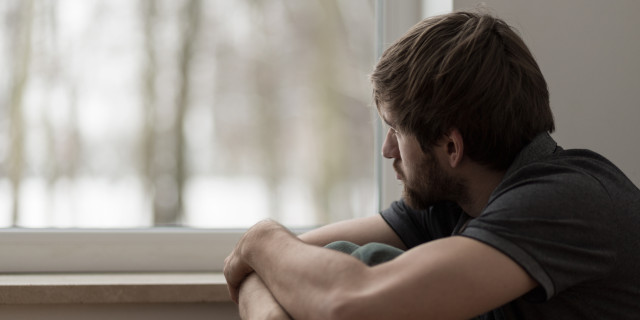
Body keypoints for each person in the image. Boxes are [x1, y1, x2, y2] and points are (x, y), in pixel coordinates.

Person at [224, 11, 640, 319]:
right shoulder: (457, 201)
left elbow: (345, 302)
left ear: (451, 147)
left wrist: (260, 237)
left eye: (395, 131)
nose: (388, 150)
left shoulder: (567, 201)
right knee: (343, 257)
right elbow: (283, 265)